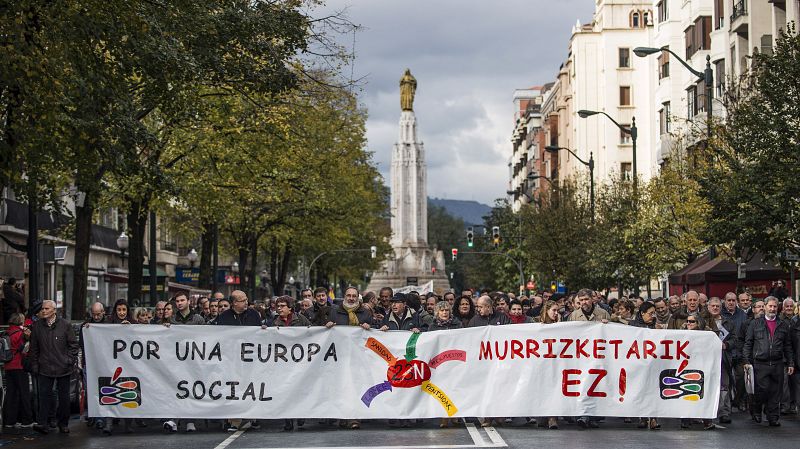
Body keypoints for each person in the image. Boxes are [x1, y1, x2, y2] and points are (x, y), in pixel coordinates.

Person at [743, 296, 795, 426]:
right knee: (762, 390)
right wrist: (746, 361)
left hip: (777, 363)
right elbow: (748, 343)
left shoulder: (783, 324)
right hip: (760, 363)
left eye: (775, 306)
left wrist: (790, 362)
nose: (772, 309)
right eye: (770, 306)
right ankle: (756, 409)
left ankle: (773, 417)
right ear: (765, 307)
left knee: (776, 392)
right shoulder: (755, 323)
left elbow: (787, 345)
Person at [29, 300, 78, 434]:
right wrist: (35, 365)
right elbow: (34, 348)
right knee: (44, 397)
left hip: (63, 368)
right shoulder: (37, 326)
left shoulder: (65, 325)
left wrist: (68, 361)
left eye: (46, 309)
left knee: (64, 398)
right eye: (43, 309)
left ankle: (63, 424)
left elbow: (73, 345)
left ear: (54, 310)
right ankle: (43, 423)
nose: (43, 311)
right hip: (44, 367)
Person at [328, 287, 372, 429]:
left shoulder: (365, 312)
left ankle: (354, 418)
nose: (351, 298)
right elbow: (328, 335)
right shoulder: (335, 312)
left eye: (354, 296)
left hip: (358, 358)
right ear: (344, 296)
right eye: (349, 295)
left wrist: (369, 327)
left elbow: (374, 331)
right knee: (341, 387)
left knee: (355, 387)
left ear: (358, 297)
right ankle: (342, 416)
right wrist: (327, 327)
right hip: (340, 357)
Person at [270, 295, 310, 431]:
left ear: (290, 308)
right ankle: (287, 419)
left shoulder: (301, 320)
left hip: (300, 362)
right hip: (282, 363)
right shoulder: (273, 322)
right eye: (278, 306)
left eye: (282, 306)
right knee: (285, 390)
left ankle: (300, 414)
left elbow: (313, 334)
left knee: (299, 389)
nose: (279, 308)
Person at [706, 297, 739, 424]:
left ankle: (724, 412)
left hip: (723, 358)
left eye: (717, 306)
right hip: (706, 359)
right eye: (713, 306)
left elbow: (735, 339)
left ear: (721, 308)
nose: (715, 308)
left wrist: (727, 345)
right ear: (708, 307)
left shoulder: (728, 323)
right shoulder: (702, 322)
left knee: (724, 386)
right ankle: (706, 413)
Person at [680, 315, 715, 430]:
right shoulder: (680, 334)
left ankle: (707, 421)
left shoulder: (707, 336)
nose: (688, 323)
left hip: (702, 367)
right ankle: (685, 420)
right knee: (686, 393)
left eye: (692, 321)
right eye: (687, 321)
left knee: (703, 394)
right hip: (686, 367)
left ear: (699, 323)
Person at [3, 313, 34, 430]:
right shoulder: (20, 334)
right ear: (20, 321)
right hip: (19, 366)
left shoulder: (7, 332)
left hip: (8, 366)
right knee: (24, 393)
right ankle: (27, 420)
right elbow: (24, 349)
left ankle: (10, 421)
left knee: (11, 394)